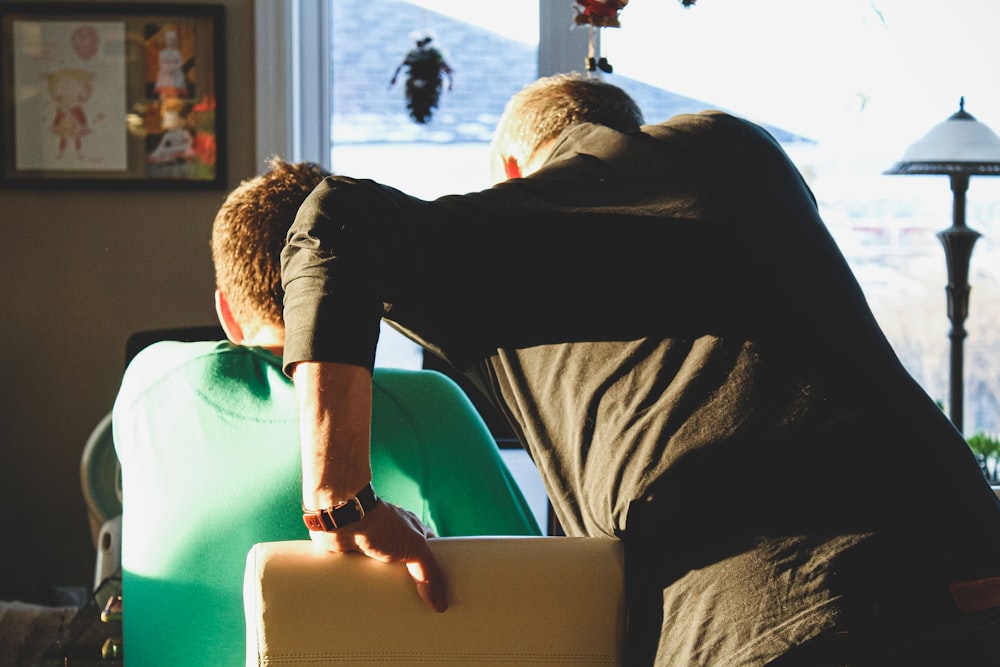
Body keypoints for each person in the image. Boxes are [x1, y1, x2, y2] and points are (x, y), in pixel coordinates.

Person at [280, 74, 1000, 665]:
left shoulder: (518, 222)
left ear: (512, 171)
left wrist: (340, 498)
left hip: (779, 617)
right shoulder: (743, 149)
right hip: (974, 562)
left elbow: (333, 221)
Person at [112, 157, 539, 667]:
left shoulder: (146, 380)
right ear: (366, 303)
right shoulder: (429, 406)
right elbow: (539, 590)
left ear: (226, 312)